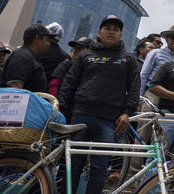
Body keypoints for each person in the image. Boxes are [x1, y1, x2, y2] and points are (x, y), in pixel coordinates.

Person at [58, 15, 140, 194]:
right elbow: (69, 83)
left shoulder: (128, 59)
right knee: (73, 166)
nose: (111, 31)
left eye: (115, 29)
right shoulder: (85, 55)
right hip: (80, 116)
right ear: (99, 32)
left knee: (99, 168)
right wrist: (63, 111)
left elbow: (134, 89)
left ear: (120, 35)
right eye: (107, 28)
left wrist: (127, 113)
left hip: (109, 121)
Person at [140, 25, 174, 103]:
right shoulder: (155, 53)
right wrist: (139, 99)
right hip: (152, 95)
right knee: (147, 115)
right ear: (166, 39)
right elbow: (143, 75)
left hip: (172, 98)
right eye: (172, 37)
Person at [0, 23, 51, 91]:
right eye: (47, 40)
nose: (49, 44)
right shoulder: (22, 56)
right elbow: (15, 88)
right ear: (37, 39)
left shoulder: (29, 56)